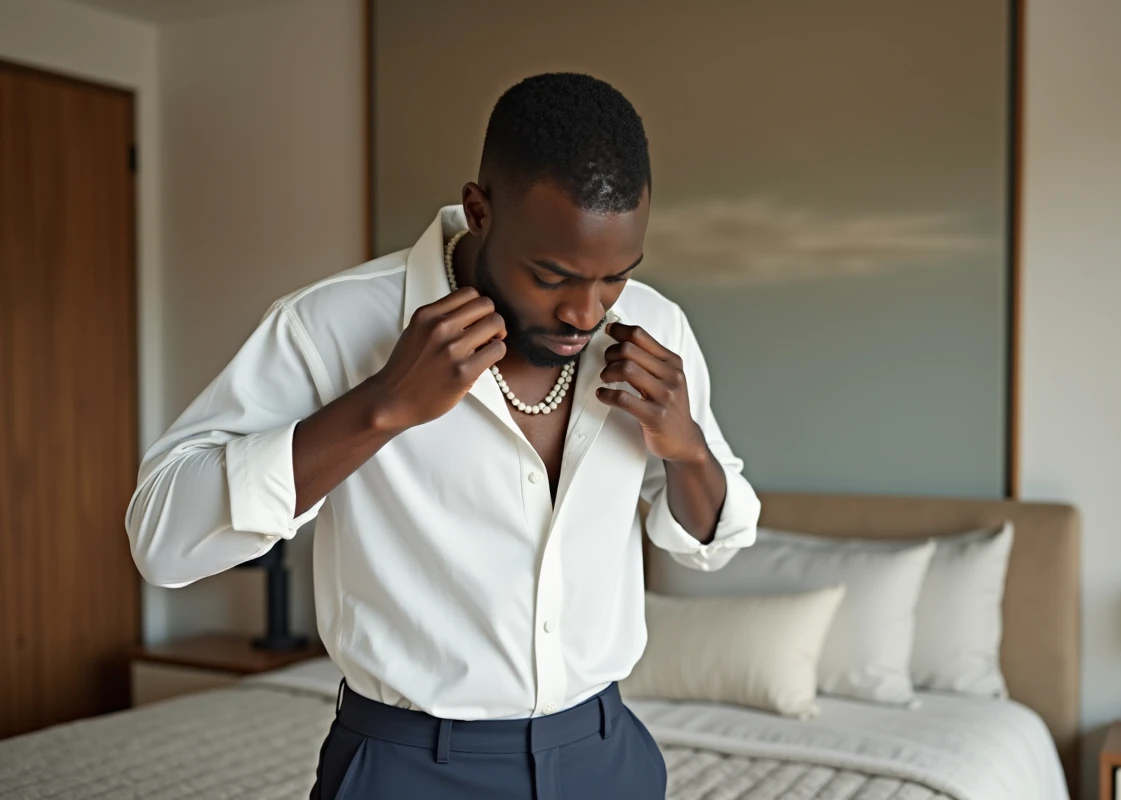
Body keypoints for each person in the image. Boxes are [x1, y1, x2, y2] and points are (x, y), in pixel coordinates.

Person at [126, 72, 760, 800]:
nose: (586, 313)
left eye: (615, 276)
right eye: (551, 276)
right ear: (479, 210)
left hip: (605, 756)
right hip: (406, 768)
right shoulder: (327, 327)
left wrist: (687, 448)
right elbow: (162, 542)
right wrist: (380, 407)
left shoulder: (656, 328)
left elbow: (717, 543)